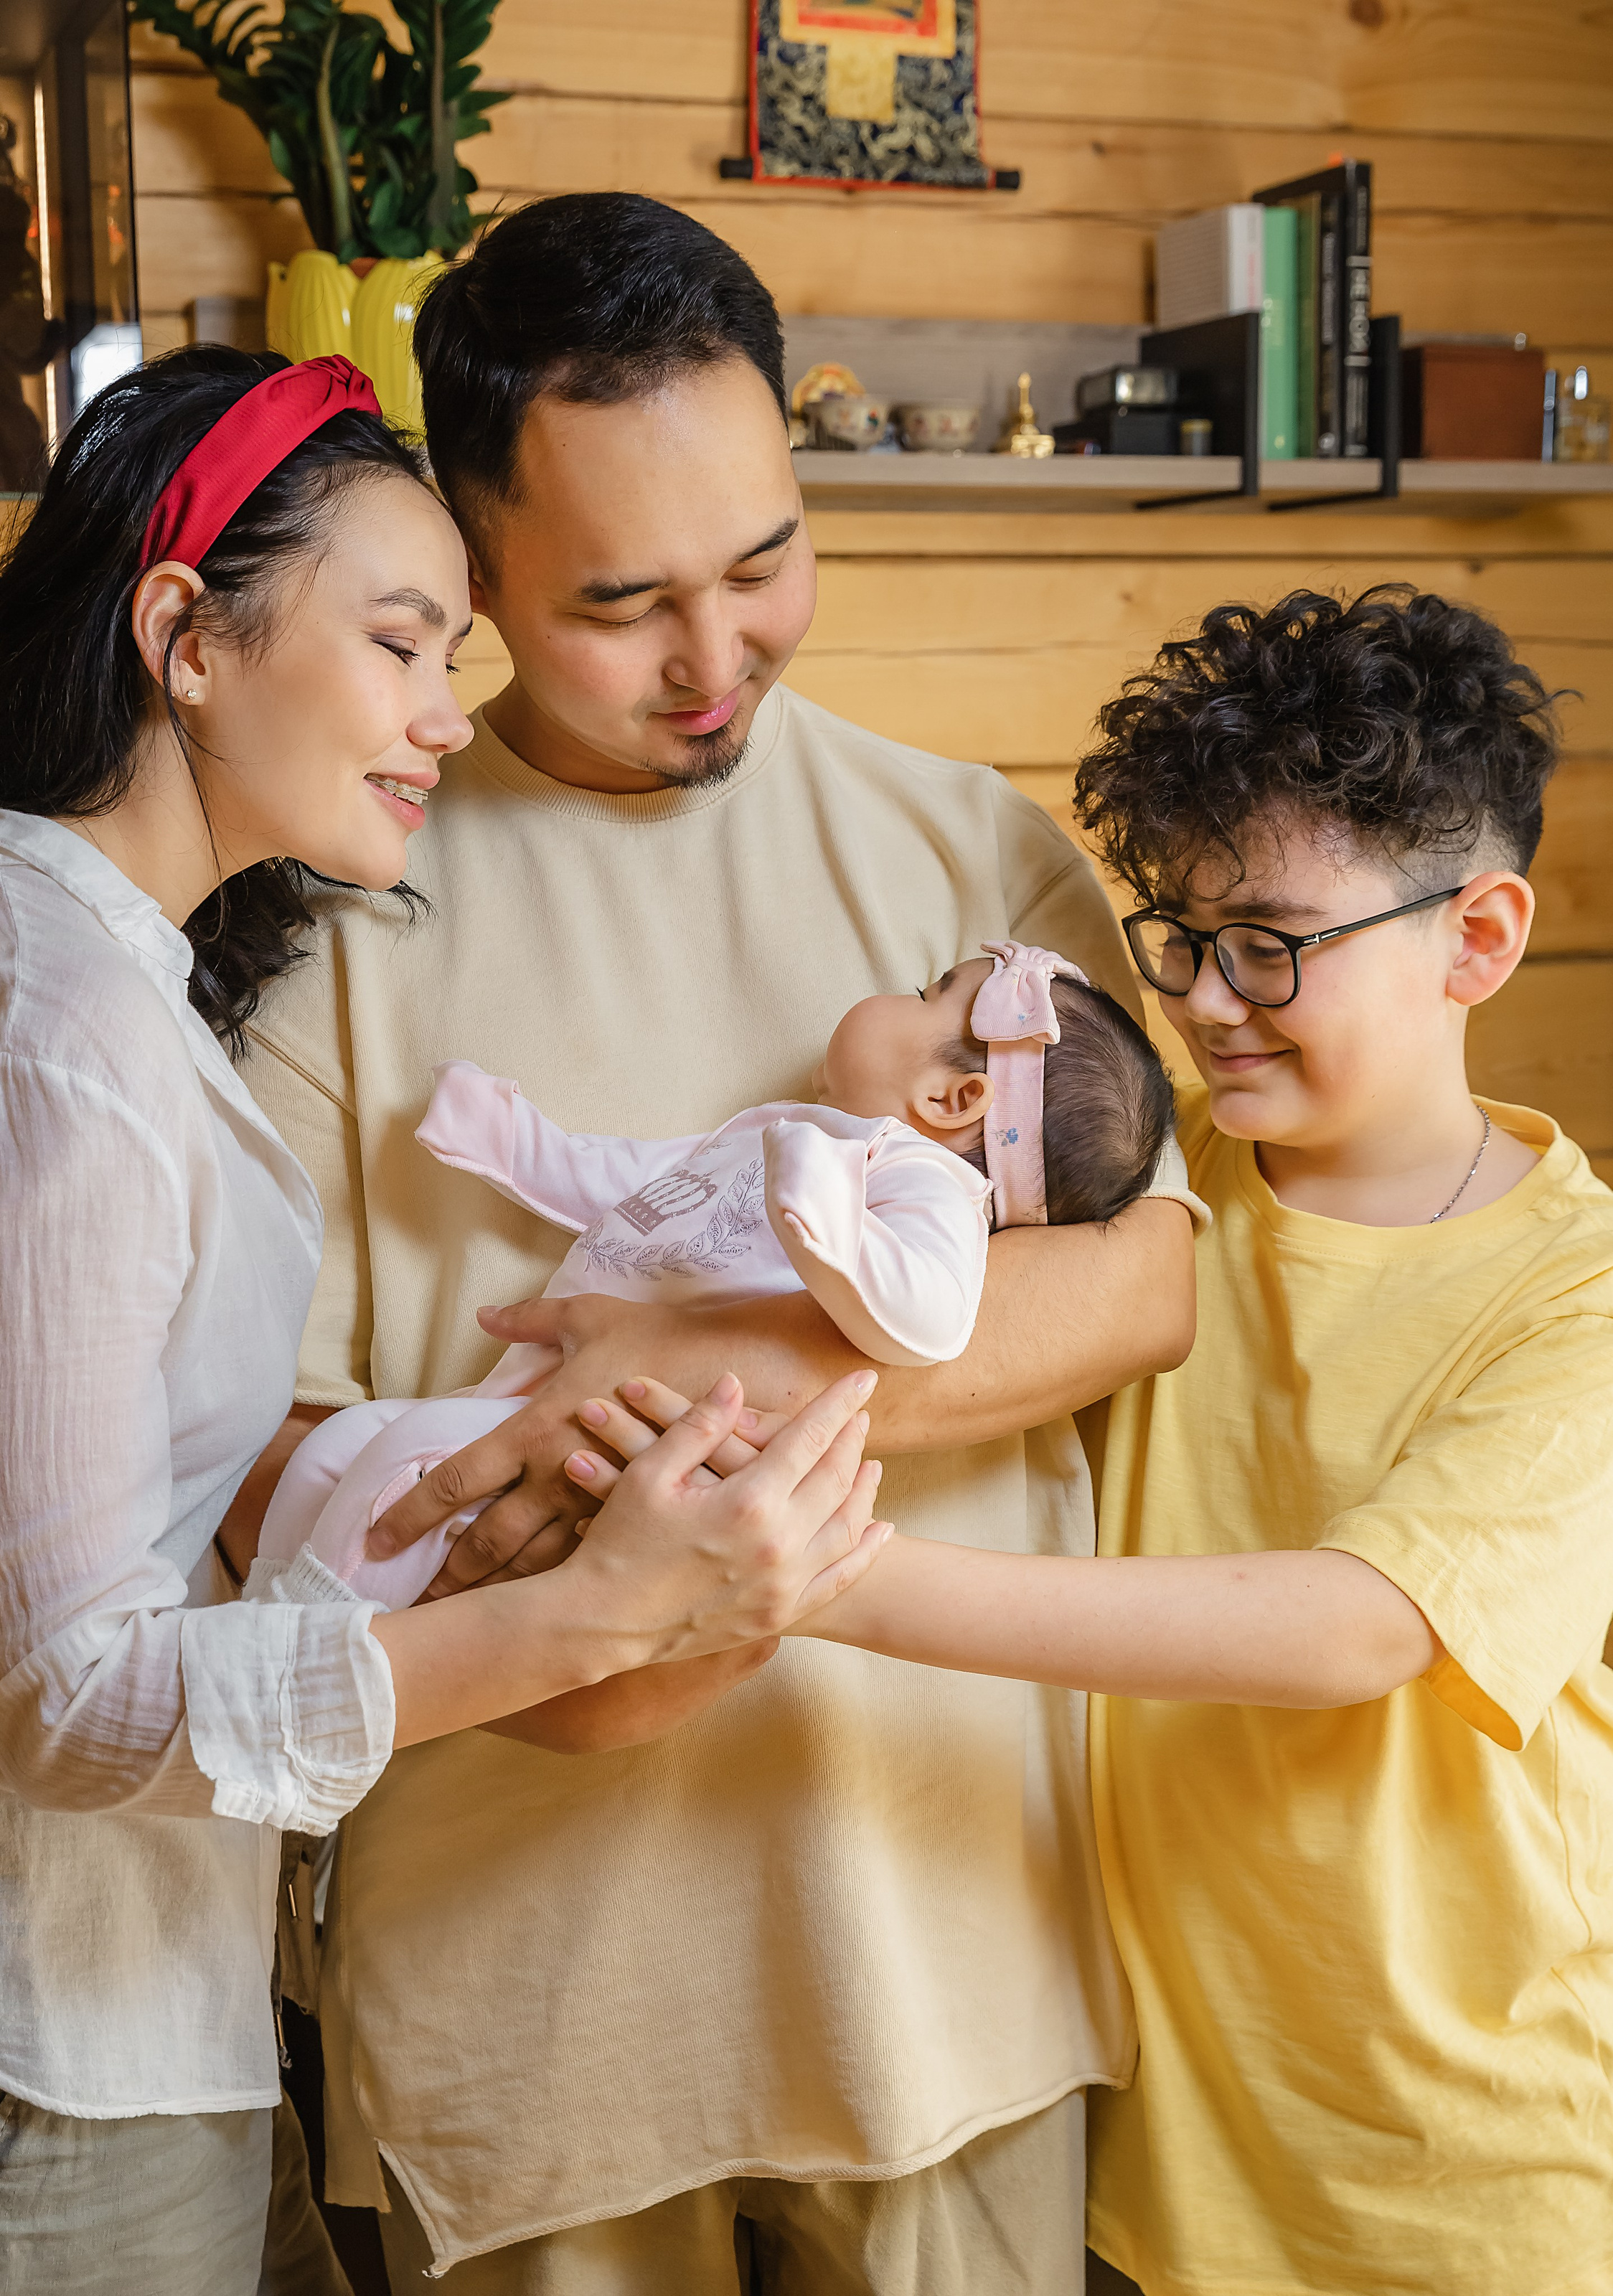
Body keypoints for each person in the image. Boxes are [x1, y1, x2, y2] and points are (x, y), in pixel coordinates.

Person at [0, 344, 887, 2296]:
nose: (444, 720)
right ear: (185, 636)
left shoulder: (60, 973)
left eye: (452, 657)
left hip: (87, 2016)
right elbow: (72, 1698)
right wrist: (583, 1619)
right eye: (399, 645)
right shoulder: (48, 1044)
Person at [233, 194, 1200, 2292]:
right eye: (621, 601)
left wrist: (690, 1386)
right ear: (472, 573)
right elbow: (252, 1445)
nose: (713, 656)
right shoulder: (331, 929)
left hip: (948, 1958)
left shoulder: (974, 855)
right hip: (530, 2002)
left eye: (763, 561)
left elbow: (1147, 1278)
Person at [589, 587, 1613, 2296]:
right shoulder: (1144, 1190)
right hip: (1150, 2165)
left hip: (1460, 2181)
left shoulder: (1576, 1296)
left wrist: (828, 1576)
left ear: (1479, 939)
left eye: (1271, 943)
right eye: (1177, 934)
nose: (1208, 1001)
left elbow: (1351, 1626)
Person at [260, 943, 1177, 1611]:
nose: (899, 991)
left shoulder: (920, 1180)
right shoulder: (792, 1133)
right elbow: (637, 1182)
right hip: (538, 1386)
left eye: (926, 992)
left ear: (955, 1098)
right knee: (337, 1451)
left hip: (610, 1429)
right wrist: (509, 1140)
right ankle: (261, 1623)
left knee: (398, 1471)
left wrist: (825, 1226)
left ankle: (305, 1676)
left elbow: (930, 1318)